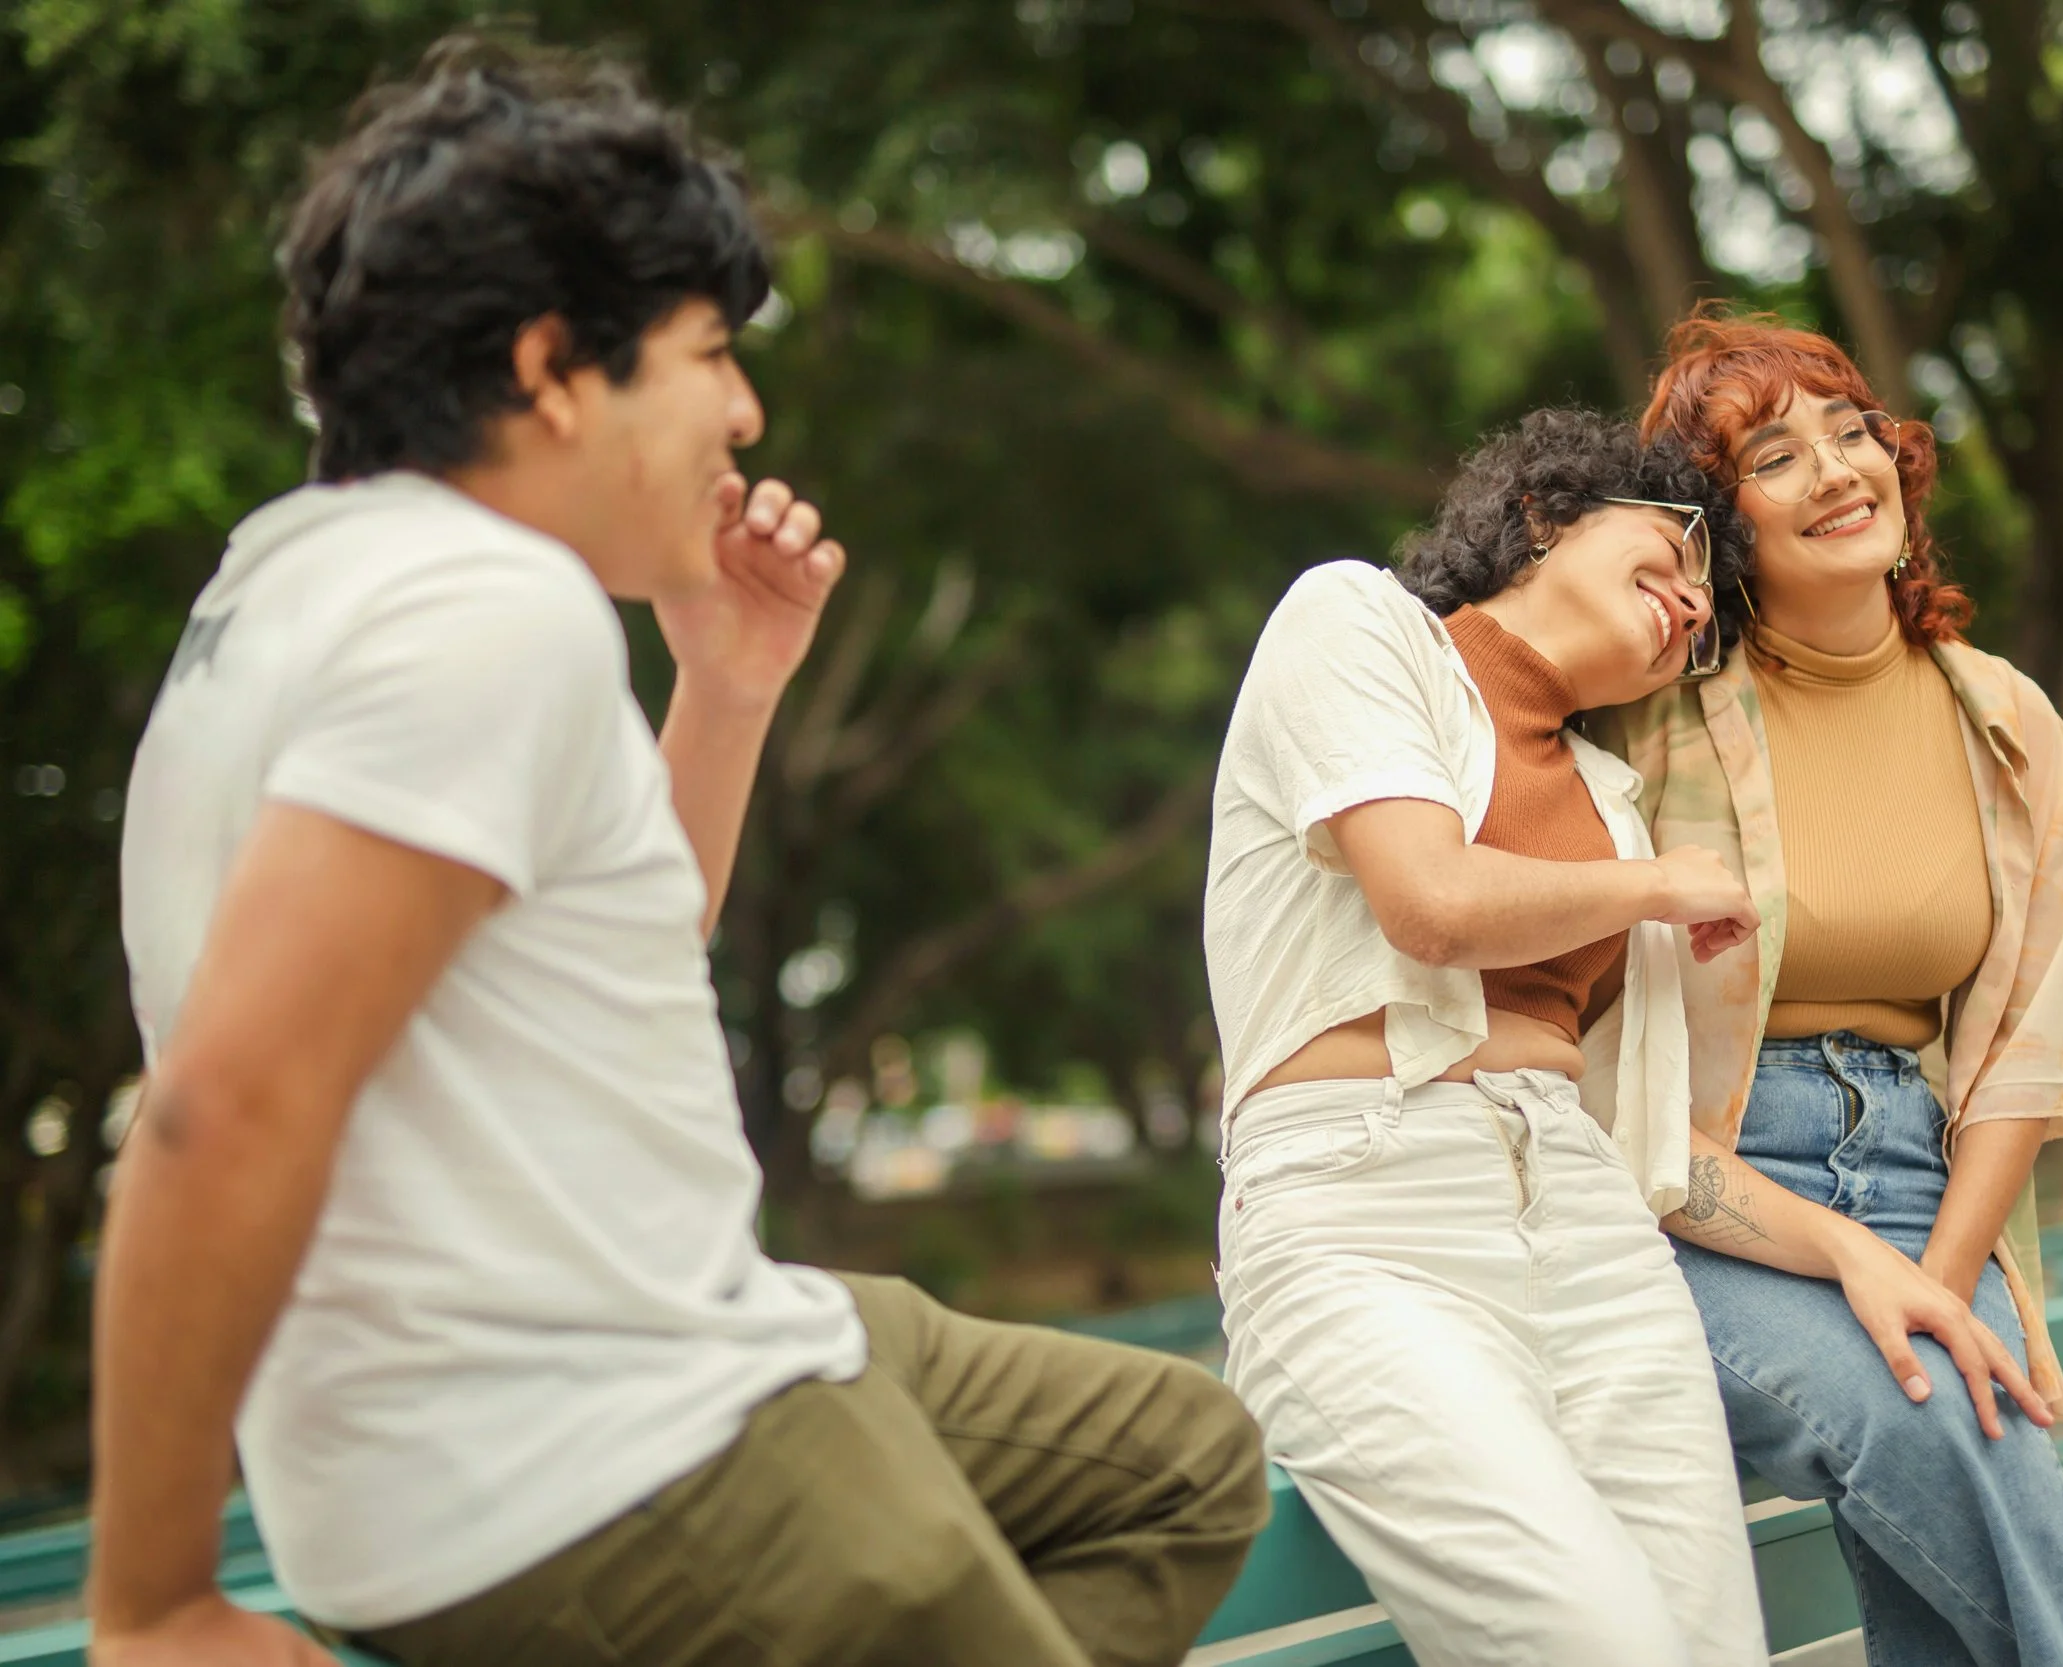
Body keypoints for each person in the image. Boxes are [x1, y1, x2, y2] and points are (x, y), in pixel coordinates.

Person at [95, 40, 1266, 1667]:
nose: (745, 409)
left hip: (656, 1351)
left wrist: (723, 688)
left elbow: (588, 972)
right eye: (710, 351)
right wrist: (151, 1602)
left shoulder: (280, 587)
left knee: (1184, 1459)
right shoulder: (480, 611)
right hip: (604, 1454)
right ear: (555, 368)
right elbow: (221, 1107)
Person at [1592, 306, 2063, 1667]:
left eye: (1855, 432)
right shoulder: (1649, 717)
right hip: (1698, 1195)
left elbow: (2026, 1044)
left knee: (1953, 1454)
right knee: (1929, 1417)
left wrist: (1944, 1281)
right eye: (1776, 456)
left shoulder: (2006, 720)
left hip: (1925, 1173)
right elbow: (1614, 1083)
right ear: (1717, 524)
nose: (1841, 469)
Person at [1205, 408, 1778, 1667]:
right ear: (1540, 516)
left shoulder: (1616, 800)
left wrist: (1862, 1261)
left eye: (1710, 609)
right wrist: (1659, 891)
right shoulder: (1353, 623)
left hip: (1587, 1223)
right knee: (1597, 1640)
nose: (1692, 602)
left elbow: (1650, 1137)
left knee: (1712, 1645)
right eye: (1676, 551)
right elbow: (1433, 901)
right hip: (1367, 1219)